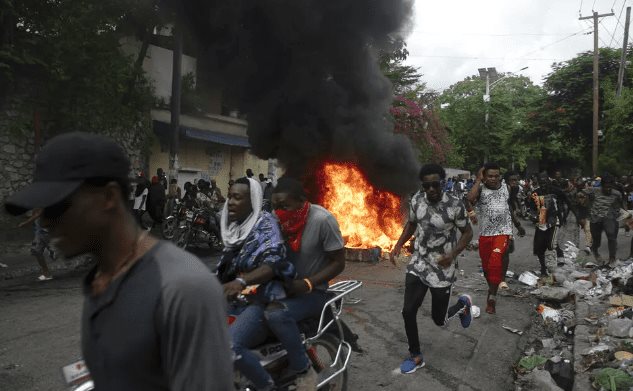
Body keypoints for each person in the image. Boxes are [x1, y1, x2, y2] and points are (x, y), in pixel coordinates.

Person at [3, 132, 232, 390]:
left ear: (108, 197)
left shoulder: (183, 289)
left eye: (57, 207)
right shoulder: (101, 281)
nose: (45, 222)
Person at [390, 164, 474, 374]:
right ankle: (415, 355)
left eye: (435, 185)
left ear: (443, 183)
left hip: (442, 268)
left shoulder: (455, 205)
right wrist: (398, 244)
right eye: (426, 186)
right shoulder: (417, 199)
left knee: (439, 319)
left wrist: (452, 254)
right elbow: (411, 224)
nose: (430, 190)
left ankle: (463, 305)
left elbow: (467, 233)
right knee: (408, 310)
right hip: (418, 263)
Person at [265, 177, 346, 389]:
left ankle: (300, 366)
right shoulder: (275, 221)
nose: (279, 212)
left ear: (301, 201)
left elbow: (338, 263)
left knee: (276, 314)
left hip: (313, 293)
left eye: (284, 206)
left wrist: (308, 283)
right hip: (283, 290)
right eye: (275, 206)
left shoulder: (322, 220)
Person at [218, 177, 295, 391]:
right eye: (229, 196)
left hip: (262, 299)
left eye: (237, 197)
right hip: (236, 296)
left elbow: (273, 262)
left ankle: (267, 386)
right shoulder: (233, 228)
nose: (230, 202)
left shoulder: (266, 225)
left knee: (229, 345)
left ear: (252, 201)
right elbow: (225, 267)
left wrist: (242, 281)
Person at [466, 163, 525, 314]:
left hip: (502, 232)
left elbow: (508, 208)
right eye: (490, 176)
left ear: (500, 176)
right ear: (484, 176)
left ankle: (492, 296)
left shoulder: (507, 188)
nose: (493, 179)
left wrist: (517, 225)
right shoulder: (480, 189)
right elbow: (469, 199)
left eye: (496, 176)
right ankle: (492, 287)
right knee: (487, 268)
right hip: (485, 234)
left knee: (496, 259)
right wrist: (478, 181)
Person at [529, 172, 569, 276]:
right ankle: (543, 268)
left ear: (548, 180)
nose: (543, 184)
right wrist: (533, 216)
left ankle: (554, 264)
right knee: (539, 246)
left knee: (551, 244)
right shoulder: (535, 193)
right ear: (538, 182)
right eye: (541, 182)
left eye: (545, 181)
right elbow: (532, 208)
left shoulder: (556, 191)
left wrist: (566, 215)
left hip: (554, 219)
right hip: (541, 219)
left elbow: (567, 201)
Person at [585, 174, 623, 264]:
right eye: (606, 187)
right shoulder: (593, 190)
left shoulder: (616, 194)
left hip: (609, 217)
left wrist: (623, 215)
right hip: (595, 218)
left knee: (611, 236)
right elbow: (580, 195)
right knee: (597, 241)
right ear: (602, 185)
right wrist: (587, 204)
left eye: (610, 187)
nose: (608, 189)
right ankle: (595, 251)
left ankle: (612, 258)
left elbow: (621, 204)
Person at [18, 213, 56, 281]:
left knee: (54, 253)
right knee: (36, 251)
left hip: (48, 231)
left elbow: (38, 213)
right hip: (40, 232)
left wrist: (26, 223)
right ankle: (46, 273)